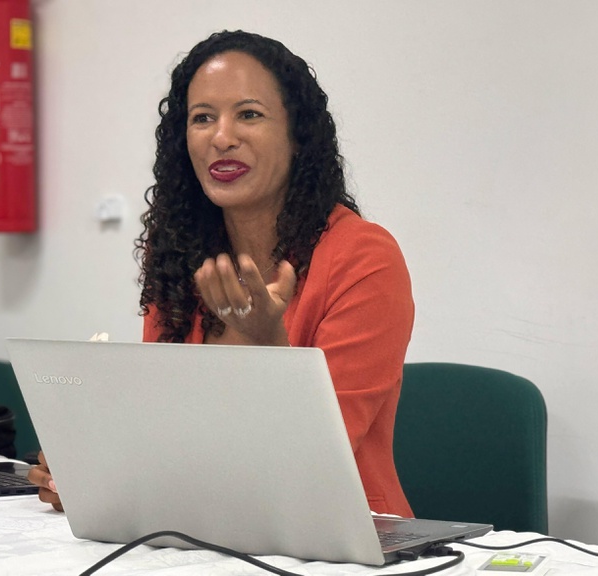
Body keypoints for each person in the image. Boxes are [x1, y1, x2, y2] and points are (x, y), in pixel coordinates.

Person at [29, 30, 414, 518]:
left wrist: (268, 342)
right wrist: (96, 473)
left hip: (343, 533)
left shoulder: (364, 257)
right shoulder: (179, 256)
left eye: (249, 114)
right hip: (206, 526)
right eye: (202, 118)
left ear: (298, 135)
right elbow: (166, 435)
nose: (221, 137)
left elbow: (311, 463)